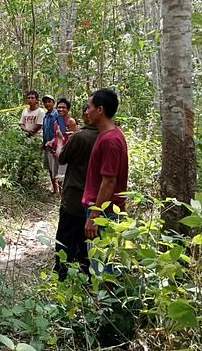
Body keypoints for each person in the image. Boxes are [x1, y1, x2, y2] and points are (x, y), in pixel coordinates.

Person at [82, 88, 128, 275]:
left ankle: (104, 304)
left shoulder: (110, 140)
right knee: (103, 265)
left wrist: (94, 217)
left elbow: (109, 181)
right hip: (104, 212)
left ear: (100, 110)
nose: (86, 112)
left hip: (105, 214)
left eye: (89, 107)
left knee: (103, 268)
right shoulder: (109, 135)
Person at [53, 103, 99, 280]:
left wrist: (59, 140)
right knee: (86, 240)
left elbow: (62, 158)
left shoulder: (80, 137)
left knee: (65, 238)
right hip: (97, 200)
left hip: (74, 196)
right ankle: (85, 276)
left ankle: (62, 274)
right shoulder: (109, 136)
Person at [53, 98, 78, 176]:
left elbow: (73, 138)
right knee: (57, 176)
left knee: (63, 176)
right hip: (57, 151)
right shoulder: (56, 121)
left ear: (68, 109)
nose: (61, 109)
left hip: (67, 153)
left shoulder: (70, 121)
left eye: (63, 107)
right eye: (59, 107)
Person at [42, 94, 60, 194]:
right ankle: (55, 189)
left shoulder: (57, 115)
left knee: (58, 168)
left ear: (53, 103)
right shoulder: (45, 116)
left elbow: (61, 130)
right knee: (50, 168)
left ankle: (61, 191)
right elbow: (45, 131)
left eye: (49, 101)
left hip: (56, 147)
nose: (47, 104)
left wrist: (55, 142)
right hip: (47, 146)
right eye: (45, 102)